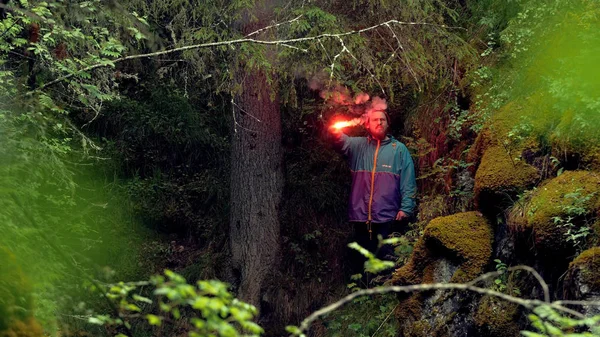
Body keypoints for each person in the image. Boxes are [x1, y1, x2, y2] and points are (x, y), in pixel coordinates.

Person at [329, 108, 417, 270]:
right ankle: (364, 291)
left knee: (387, 257)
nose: (379, 122)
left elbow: (408, 181)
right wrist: (334, 130)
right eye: (375, 120)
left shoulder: (398, 149)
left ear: (387, 124)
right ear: (367, 125)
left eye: (382, 119)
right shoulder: (358, 146)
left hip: (388, 217)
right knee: (361, 259)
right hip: (360, 216)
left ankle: (387, 292)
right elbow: (340, 142)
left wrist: (406, 208)